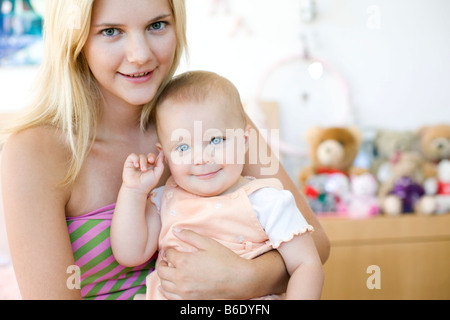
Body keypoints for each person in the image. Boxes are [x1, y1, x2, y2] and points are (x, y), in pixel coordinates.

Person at [0, 0, 329, 300]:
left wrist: (247, 277)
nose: (140, 54)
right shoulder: (32, 152)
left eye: (157, 25)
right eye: (111, 31)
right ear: (76, 39)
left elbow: (315, 244)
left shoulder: (213, 120)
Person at [111, 71, 324, 300]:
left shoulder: (266, 201)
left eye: (215, 140)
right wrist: (133, 192)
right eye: (183, 148)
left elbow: (306, 264)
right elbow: (130, 253)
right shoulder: (165, 199)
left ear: (244, 141)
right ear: (164, 155)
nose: (201, 158)